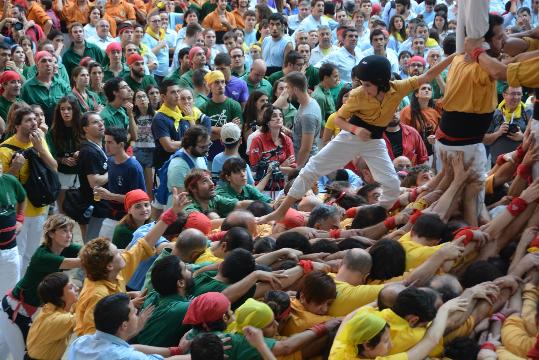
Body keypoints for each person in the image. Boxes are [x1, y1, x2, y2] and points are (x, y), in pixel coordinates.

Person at [260, 54, 454, 223]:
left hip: (374, 141)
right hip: (350, 137)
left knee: (393, 185)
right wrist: (356, 129)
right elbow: (337, 118)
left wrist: (455, 56)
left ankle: (378, 213)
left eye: (368, 84)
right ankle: (280, 211)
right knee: (311, 169)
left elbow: (428, 75)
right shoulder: (357, 94)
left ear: (382, 82)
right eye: (362, 83)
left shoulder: (399, 87)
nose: (363, 87)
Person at [74, 188, 190, 336]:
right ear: (109, 265)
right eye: (117, 253)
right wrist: (138, 325)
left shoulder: (116, 270)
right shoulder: (97, 295)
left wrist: (172, 212)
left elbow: (145, 243)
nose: (123, 253)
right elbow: (96, 339)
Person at [0, 214, 80, 360]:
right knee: (26, 355)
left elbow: (86, 251)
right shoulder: (42, 255)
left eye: (70, 231)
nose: (69, 235)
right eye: (63, 231)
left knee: (5, 349)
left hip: (23, 310)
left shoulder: (64, 247)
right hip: (14, 310)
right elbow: (75, 262)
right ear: (51, 233)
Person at [0, 106, 57, 273]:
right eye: (28, 120)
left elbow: (54, 166)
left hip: (40, 206)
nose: (34, 123)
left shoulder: (39, 139)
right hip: (20, 211)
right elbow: (4, 184)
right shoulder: (4, 150)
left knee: (31, 253)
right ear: (17, 126)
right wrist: (15, 168)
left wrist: (40, 148)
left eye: (35, 119)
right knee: (17, 253)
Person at [69, 293, 188, 359]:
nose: (138, 313)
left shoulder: (80, 342)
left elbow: (130, 348)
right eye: (134, 313)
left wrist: (175, 350)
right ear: (124, 325)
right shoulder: (127, 357)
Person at [94, 127, 146, 239]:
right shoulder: (111, 161)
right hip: (110, 215)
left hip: (127, 220)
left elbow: (138, 200)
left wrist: (110, 196)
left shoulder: (133, 167)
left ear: (121, 145)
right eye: (105, 142)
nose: (105, 145)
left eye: (109, 142)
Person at [26, 272, 78, 360]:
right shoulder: (59, 320)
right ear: (59, 297)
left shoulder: (52, 306)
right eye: (71, 287)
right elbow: (89, 316)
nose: (77, 288)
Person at [76, 111, 109, 242]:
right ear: (85, 129)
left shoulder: (102, 147)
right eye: (95, 122)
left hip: (104, 205)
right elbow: (95, 182)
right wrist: (114, 171)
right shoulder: (88, 151)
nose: (101, 124)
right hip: (95, 207)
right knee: (94, 246)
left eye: (101, 121)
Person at [46, 96, 81, 213]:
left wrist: (82, 152)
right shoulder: (53, 131)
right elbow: (49, 155)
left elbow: (93, 145)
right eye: (62, 109)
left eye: (69, 109)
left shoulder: (83, 127)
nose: (65, 112)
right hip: (62, 174)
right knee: (63, 211)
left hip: (81, 173)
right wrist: (62, 160)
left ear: (75, 110)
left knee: (80, 212)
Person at [199, 71, 243, 162]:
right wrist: (228, 128)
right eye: (216, 82)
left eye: (222, 82)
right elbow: (203, 136)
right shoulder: (203, 108)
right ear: (210, 86)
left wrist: (211, 129)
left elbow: (237, 133)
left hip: (231, 155)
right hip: (209, 155)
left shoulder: (234, 105)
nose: (220, 85)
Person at [20, 51, 70, 125]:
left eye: (50, 61)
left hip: (60, 127)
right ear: (37, 65)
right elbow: (22, 111)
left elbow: (70, 106)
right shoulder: (27, 87)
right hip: (36, 127)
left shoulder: (62, 84)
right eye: (43, 61)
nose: (48, 64)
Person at [484, 85, 530, 163]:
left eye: (519, 94)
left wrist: (522, 137)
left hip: (520, 164)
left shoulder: (528, 112)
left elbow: (536, 139)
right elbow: (485, 140)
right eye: (512, 94)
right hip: (497, 164)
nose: (516, 97)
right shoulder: (494, 113)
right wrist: (498, 133)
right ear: (504, 95)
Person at [166, 125, 210, 206]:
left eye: (209, 145)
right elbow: (181, 198)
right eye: (203, 147)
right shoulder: (178, 166)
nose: (207, 149)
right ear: (190, 145)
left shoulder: (200, 155)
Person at [286, 72, 321, 168]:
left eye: (288, 88)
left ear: (295, 89)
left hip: (305, 164)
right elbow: (301, 134)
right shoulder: (306, 103)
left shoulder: (308, 115)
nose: (286, 91)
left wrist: (296, 169)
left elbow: (306, 148)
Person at [400, 83, 440, 156]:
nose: (427, 90)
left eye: (429, 89)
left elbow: (438, 132)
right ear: (416, 94)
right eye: (423, 88)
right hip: (412, 152)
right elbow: (402, 134)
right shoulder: (406, 111)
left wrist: (435, 137)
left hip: (431, 152)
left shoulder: (434, 112)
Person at [132, 89, 156, 195]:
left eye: (144, 96)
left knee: (151, 184)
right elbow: (132, 135)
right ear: (135, 102)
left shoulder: (156, 115)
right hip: (138, 151)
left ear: (148, 100)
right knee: (140, 182)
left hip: (152, 151)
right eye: (138, 97)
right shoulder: (134, 117)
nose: (142, 99)